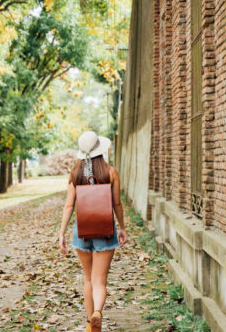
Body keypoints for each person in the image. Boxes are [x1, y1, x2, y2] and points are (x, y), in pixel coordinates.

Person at [59, 131, 127, 332]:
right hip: (105, 230)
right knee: (99, 281)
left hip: (81, 230)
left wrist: (62, 233)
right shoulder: (110, 172)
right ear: (100, 149)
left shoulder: (75, 173)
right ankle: (97, 312)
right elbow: (117, 204)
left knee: (87, 279)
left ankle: (91, 325)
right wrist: (122, 227)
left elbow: (69, 205)